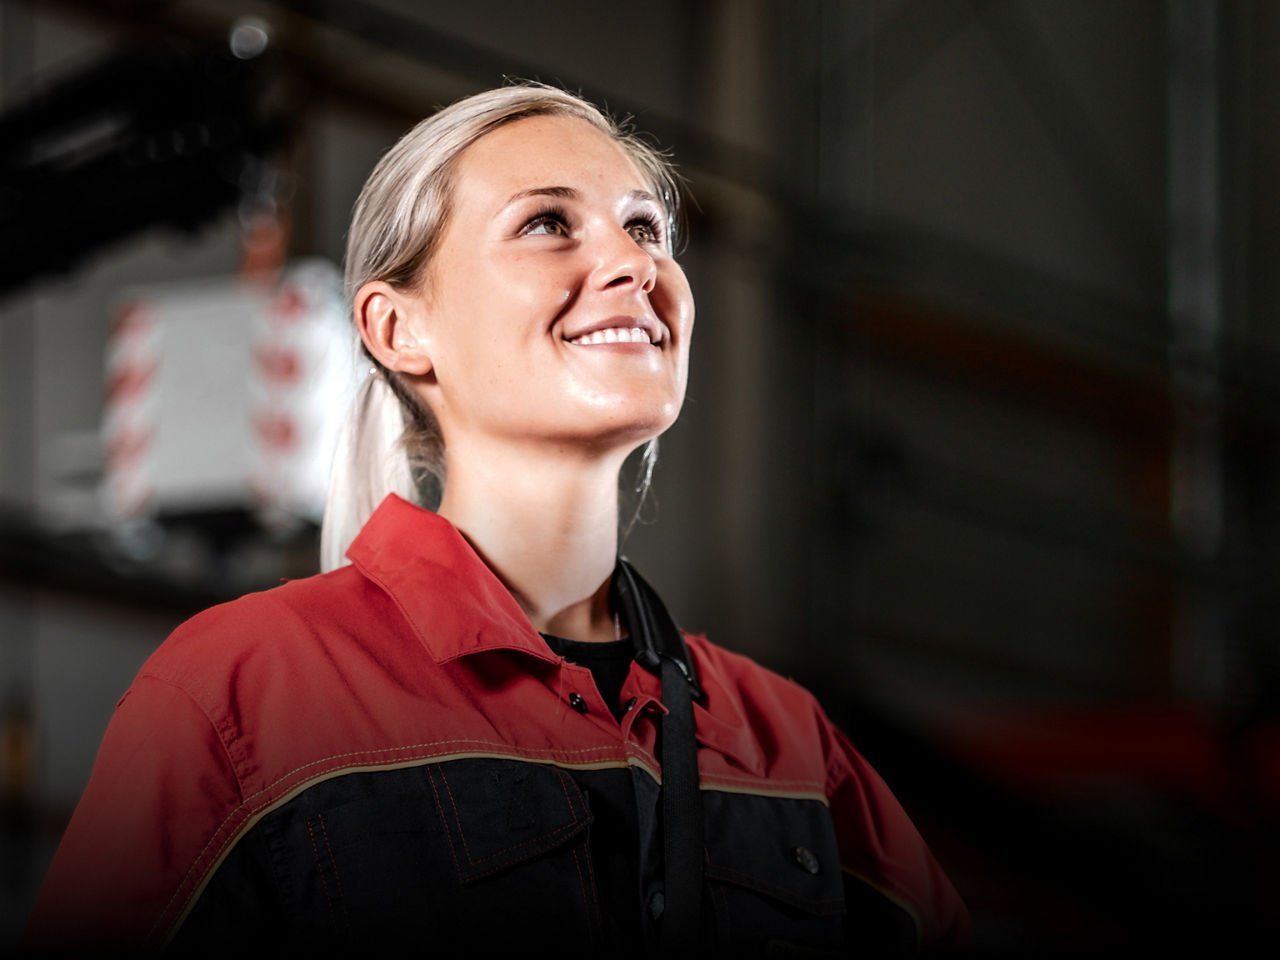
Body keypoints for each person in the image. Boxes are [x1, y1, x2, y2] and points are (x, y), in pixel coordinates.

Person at [24, 82, 970, 957]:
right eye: (550, 223)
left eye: (646, 227)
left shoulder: (789, 743)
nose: (634, 263)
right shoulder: (244, 693)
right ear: (399, 330)